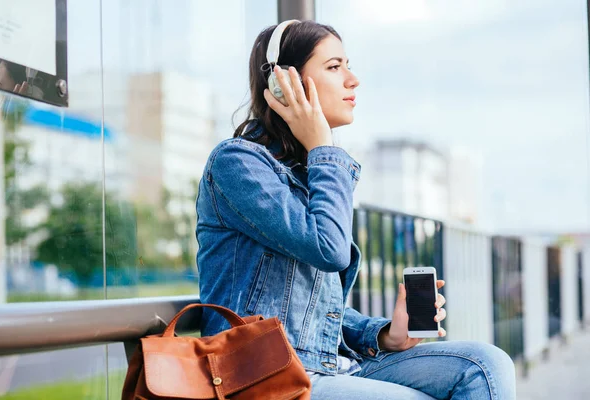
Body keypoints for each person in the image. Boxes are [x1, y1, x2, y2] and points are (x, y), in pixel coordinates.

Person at [196, 20, 516, 399]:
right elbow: (328, 249)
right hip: (265, 375)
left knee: (486, 364)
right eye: (334, 67)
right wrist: (323, 148)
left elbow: (309, 310)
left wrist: (385, 335)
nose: (353, 80)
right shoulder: (238, 164)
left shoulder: (310, 172)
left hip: (330, 363)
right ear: (285, 84)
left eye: (347, 65)